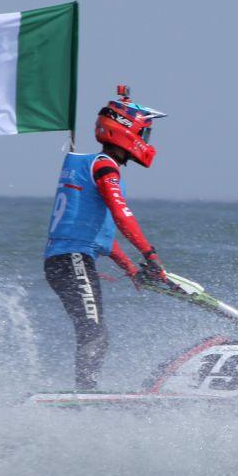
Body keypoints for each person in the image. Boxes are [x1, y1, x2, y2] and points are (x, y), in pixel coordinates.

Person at [44, 85, 170, 391]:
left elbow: (98, 234)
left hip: (65, 260)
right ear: (127, 131)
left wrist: (131, 269)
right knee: (94, 333)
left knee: (93, 331)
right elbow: (121, 213)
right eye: (144, 133)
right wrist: (151, 256)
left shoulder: (86, 166)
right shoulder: (104, 167)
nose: (145, 141)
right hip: (72, 260)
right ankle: (84, 394)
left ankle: (84, 391)